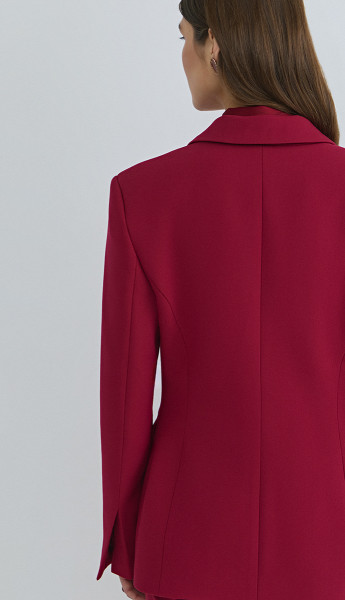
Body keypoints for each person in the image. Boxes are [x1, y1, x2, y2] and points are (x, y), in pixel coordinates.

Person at [96, 0, 345, 599]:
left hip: (185, 542)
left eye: (184, 37)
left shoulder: (142, 194)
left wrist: (128, 542)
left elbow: (125, 401)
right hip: (330, 541)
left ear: (216, 45)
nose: (182, 55)